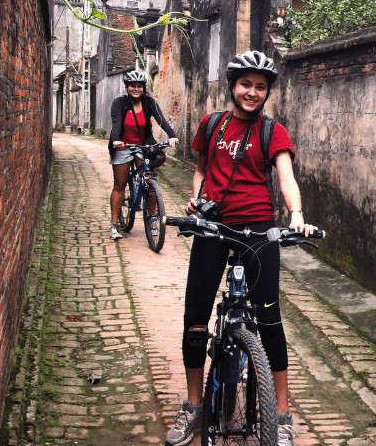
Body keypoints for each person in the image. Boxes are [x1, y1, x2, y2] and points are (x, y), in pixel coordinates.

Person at [165, 51, 317, 446]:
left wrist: (296, 213)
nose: (252, 92)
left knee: (269, 320)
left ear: (267, 92)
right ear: (233, 86)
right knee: (196, 316)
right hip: (213, 226)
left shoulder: (273, 131)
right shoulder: (212, 124)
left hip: (258, 229)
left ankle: (281, 414)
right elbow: (202, 170)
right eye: (246, 85)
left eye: (260, 87)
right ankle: (194, 405)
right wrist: (196, 199)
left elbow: (286, 176)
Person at [108, 69, 178, 240]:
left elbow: (160, 119)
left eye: (139, 86)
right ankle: (114, 224)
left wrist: (172, 135)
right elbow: (116, 123)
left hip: (143, 146)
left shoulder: (149, 102)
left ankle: (153, 218)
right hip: (123, 146)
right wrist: (116, 139)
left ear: (144, 87)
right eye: (133, 86)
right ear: (127, 87)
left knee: (149, 178)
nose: (136, 89)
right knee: (120, 184)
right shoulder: (119, 103)